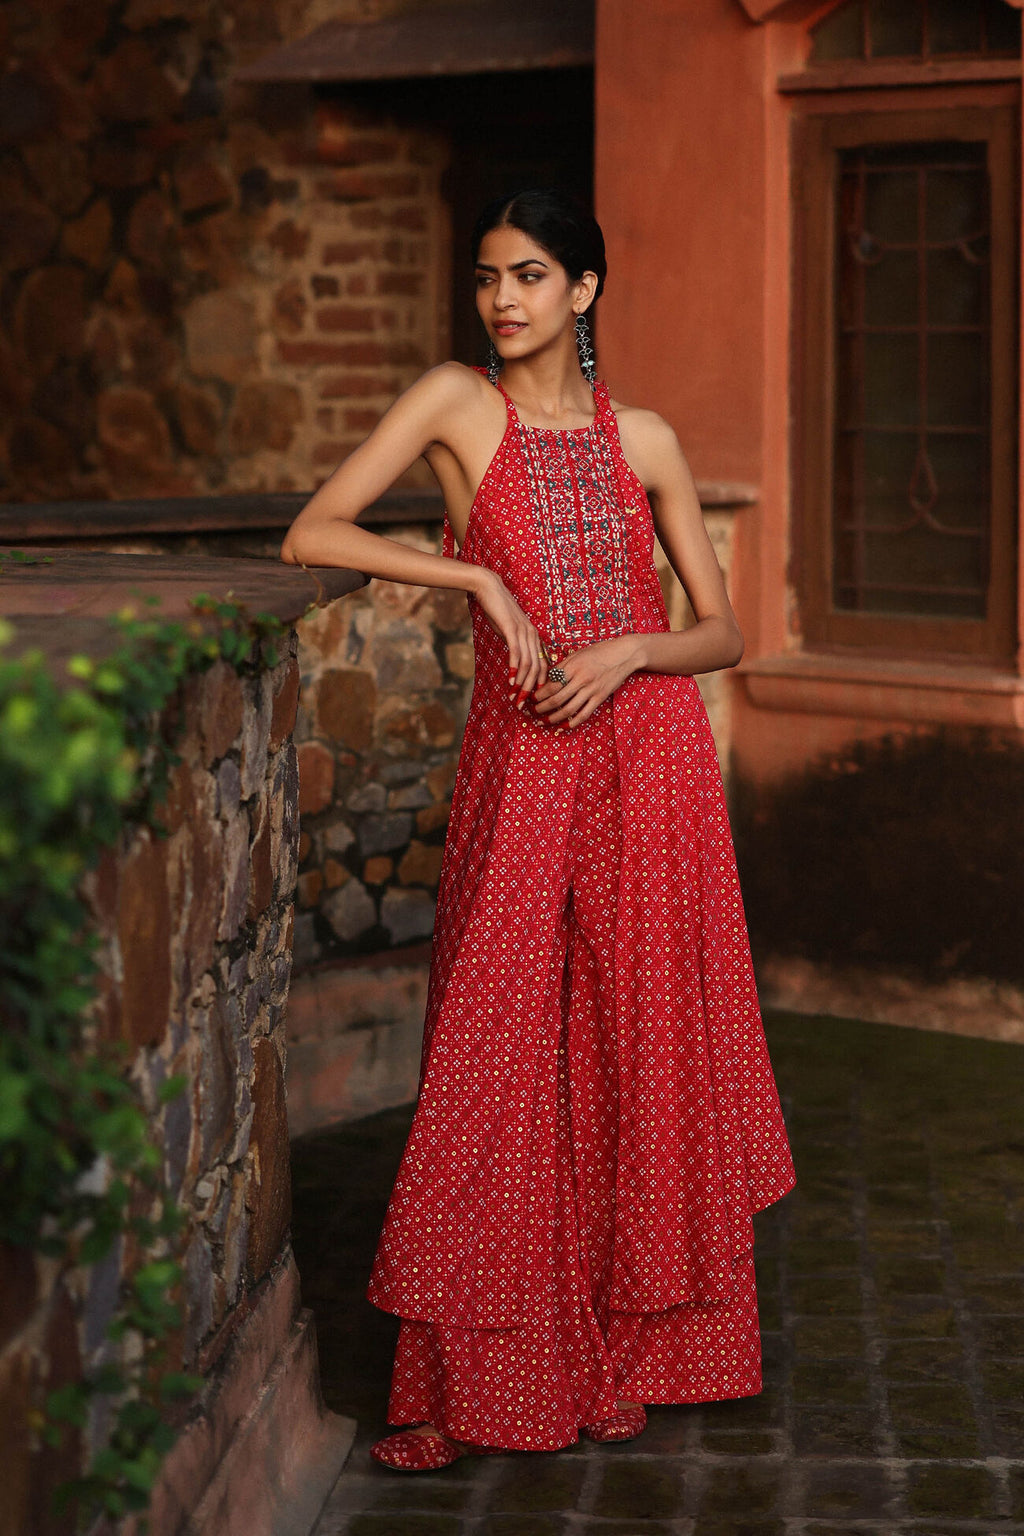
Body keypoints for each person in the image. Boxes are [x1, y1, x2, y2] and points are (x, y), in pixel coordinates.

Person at [281, 187, 795, 1470]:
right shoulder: (456, 403)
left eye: (527, 274)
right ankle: (496, 1374)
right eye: (485, 276)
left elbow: (724, 633)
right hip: (523, 763)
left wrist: (628, 648)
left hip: (651, 761)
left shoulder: (650, 438)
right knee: (498, 1052)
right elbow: (311, 530)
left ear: (585, 290)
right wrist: (477, 576)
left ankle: (641, 1352)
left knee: (636, 1040)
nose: (501, 299)